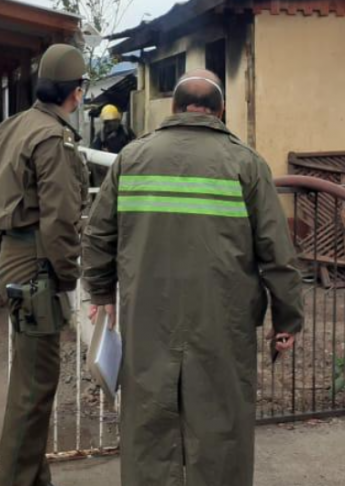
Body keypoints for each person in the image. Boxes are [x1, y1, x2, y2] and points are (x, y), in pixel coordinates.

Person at [83, 69, 304, 486]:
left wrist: (100, 292)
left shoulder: (131, 158)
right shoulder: (247, 164)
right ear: (221, 112)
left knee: (147, 423)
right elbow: (278, 254)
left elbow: (98, 234)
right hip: (223, 321)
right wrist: (287, 318)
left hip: (147, 317)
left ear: (174, 108)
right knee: (221, 425)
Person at [0, 43, 90, 486]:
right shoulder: (53, 138)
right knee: (36, 386)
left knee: (30, 377)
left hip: (13, 259)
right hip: (37, 266)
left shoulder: (15, 126)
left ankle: (32, 477)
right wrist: (68, 277)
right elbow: (60, 219)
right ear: (76, 93)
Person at [89, 104, 133, 185]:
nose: (109, 124)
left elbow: (135, 146)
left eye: (112, 121)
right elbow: (93, 154)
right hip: (106, 171)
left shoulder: (126, 132)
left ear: (117, 120)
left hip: (124, 167)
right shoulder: (101, 135)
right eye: (107, 122)